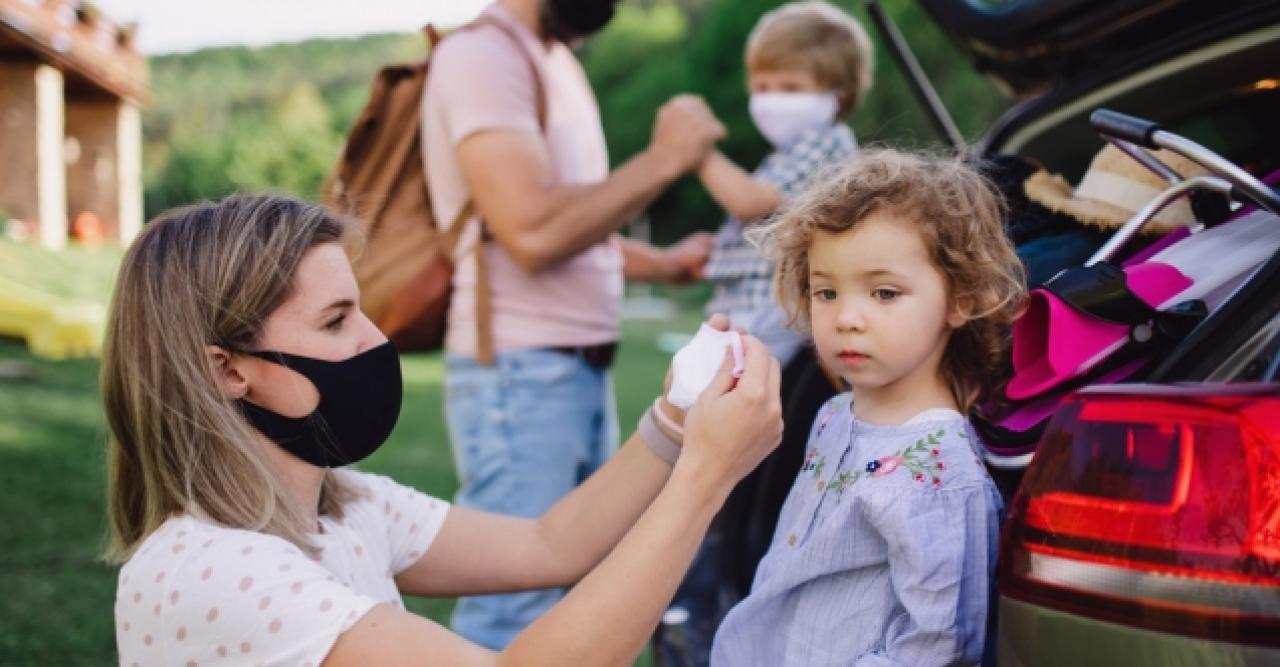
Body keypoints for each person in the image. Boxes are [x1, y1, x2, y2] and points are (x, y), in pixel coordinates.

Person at [106, 194, 782, 666]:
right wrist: (706, 476)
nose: (376, 338)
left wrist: (675, 421)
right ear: (227, 370)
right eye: (336, 321)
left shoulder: (342, 505)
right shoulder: (213, 569)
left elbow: (552, 545)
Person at [421, 0, 723, 648]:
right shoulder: (483, 55)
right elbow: (530, 228)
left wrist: (661, 263)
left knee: (583, 593)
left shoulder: (556, 61)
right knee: (511, 608)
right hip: (519, 372)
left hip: (570, 369)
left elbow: (573, 223)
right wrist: (665, 158)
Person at [710, 150, 1028, 666]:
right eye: (826, 292)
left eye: (884, 292)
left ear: (959, 299)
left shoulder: (943, 474)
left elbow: (938, 645)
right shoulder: (835, 414)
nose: (846, 318)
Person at [657, 3, 875, 659]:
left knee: (719, 410)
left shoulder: (822, 146)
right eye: (761, 87)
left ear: (834, 94)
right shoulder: (793, 149)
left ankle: (698, 599)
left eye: (788, 87)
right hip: (748, 305)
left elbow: (753, 204)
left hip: (773, 317)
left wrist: (695, 156)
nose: (767, 101)